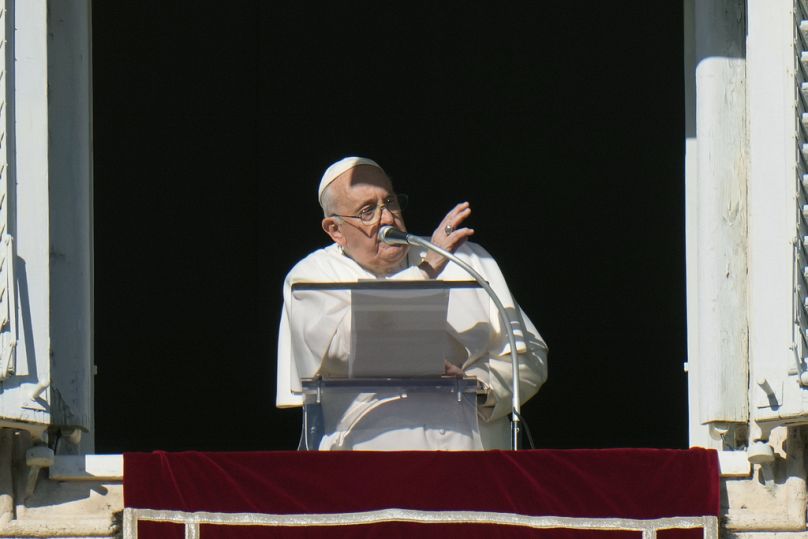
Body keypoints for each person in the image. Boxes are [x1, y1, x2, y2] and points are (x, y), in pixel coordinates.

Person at [276, 156, 548, 450]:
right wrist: (426, 270)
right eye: (367, 211)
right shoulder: (312, 276)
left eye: (390, 202)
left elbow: (531, 356)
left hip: (469, 462)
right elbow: (347, 349)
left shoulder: (465, 259)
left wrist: (478, 386)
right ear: (335, 229)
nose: (388, 218)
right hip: (368, 466)